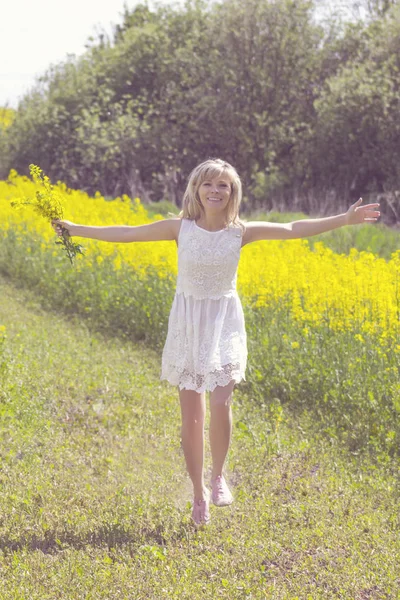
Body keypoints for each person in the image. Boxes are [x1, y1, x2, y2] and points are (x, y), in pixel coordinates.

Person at [52, 158, 380, 526]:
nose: (215, 191)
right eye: (208, 184)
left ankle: (218, 475)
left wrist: (344, 219)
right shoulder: (179, 228)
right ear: (196, 189)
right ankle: (198, 494)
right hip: (188, 325)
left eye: (223, 185)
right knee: (192, 417)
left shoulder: (241, 231)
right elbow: (127, 232)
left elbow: (292, 227)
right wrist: (76, 229)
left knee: (221, 401)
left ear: (233, 192)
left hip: (224, 323)